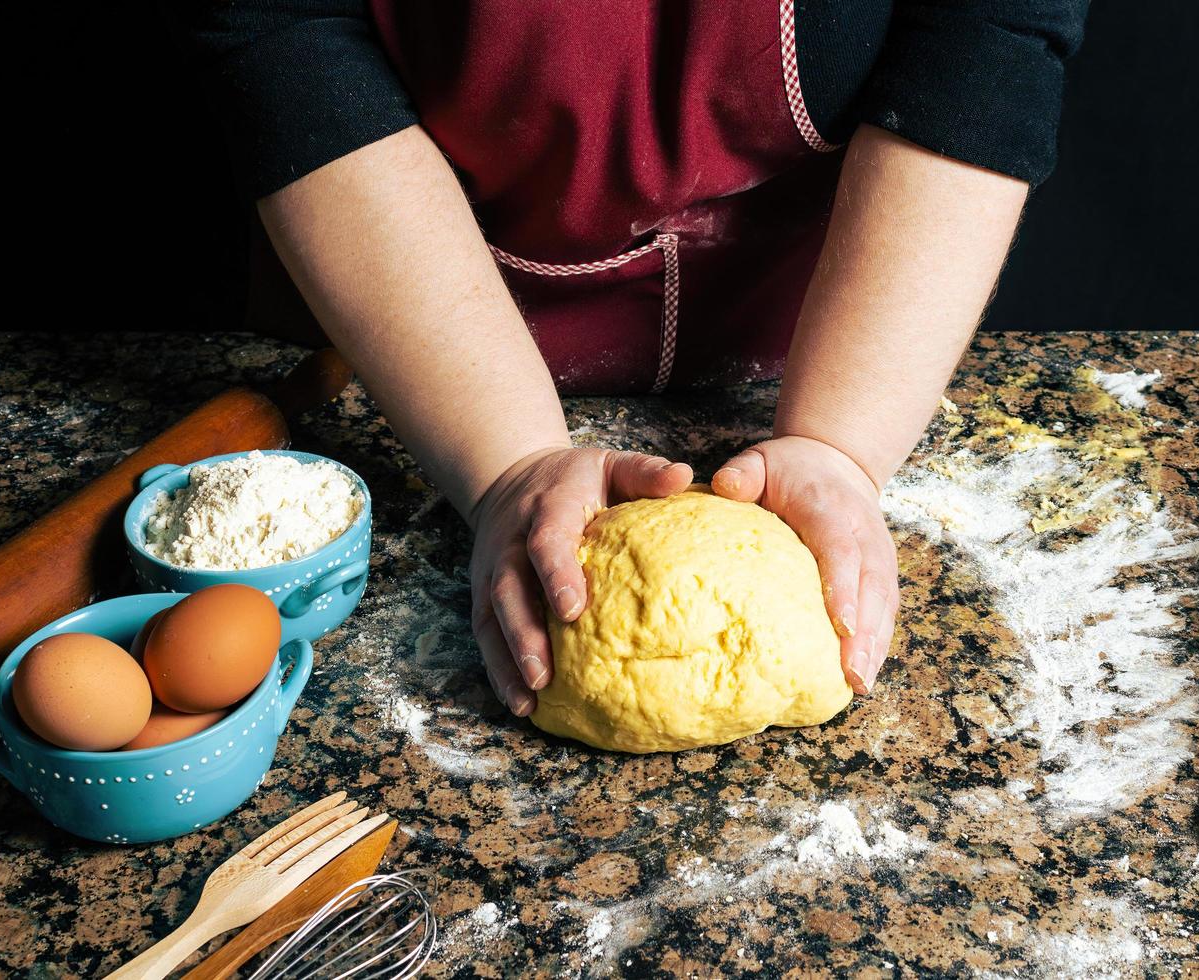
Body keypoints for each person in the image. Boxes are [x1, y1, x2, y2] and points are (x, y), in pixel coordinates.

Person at [174, 1, 1089, 716]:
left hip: (843, 312)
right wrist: (505, 464)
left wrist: (842, 446)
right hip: (424, 312)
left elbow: (986, 34)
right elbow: (287, 35)